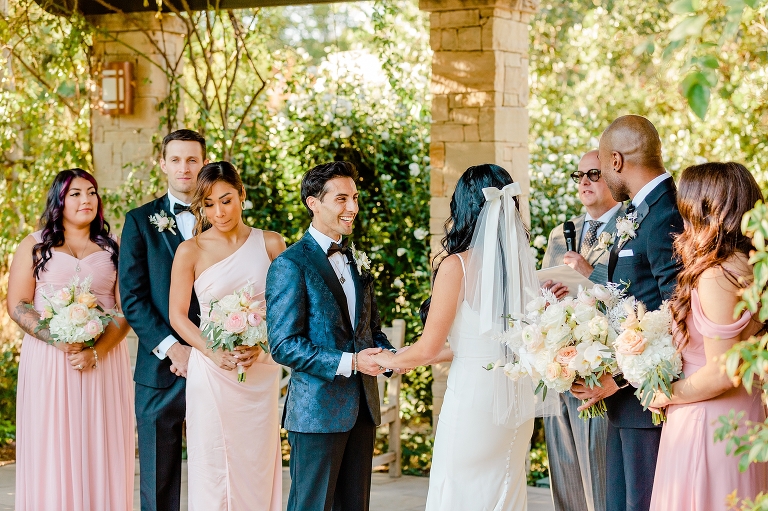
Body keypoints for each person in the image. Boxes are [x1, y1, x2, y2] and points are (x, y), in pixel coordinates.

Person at [372, 163, 542, 510]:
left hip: (474, 402)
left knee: (458, 493)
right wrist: (416, 355)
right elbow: (484, 343)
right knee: (505, 491)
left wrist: (390, 359)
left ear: (463, 207)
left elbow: (428, 347)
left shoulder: (457, 266)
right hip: (514, 400)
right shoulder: (520, 268)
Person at [266, 161, 397, 511]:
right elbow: (282, 345)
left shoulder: (357, 260)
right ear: (314, 203)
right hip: (317, 413)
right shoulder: (290, 264)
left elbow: (370, 331)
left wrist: (390, 358)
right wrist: (351, 362)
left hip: (363, 409)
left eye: (354, 197)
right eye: (341, 198)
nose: (352, 207)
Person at [571, 115, 684, 511]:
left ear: (615, 161)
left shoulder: (667, 212)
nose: (598, 175)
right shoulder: (638, 211)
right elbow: (629, 298)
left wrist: (617, 379)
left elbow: (677, 314)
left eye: (599, 167)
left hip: (646, 401)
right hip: (623, 399)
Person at [8, 169, 134, 510]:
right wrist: (56, 339)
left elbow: (124, 310)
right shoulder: (34, 245)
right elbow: (17, 304)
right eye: (76, 193)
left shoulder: (114, 248)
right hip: (50, 360)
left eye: (91, 192)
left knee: (99, 441)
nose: (86, 200)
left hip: (102, 359)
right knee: (53, 442)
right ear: (59, 200)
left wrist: (97, 352)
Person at [648, 162, 768, 510]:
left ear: (705, 210)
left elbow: (722, 371)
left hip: (708, 424)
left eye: (686, 209)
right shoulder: (752, 266)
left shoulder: (717, 274)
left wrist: (665, 394)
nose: (682, 221)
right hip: (741, 417)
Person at [169, 161, 286, 510]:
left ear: (242, 196)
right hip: (212, 372)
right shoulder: (190, 250)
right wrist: (211, 352)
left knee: (257, 463)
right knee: (213, 466)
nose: (218, 212)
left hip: (260, 370)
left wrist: (262, 345)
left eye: (226, 200)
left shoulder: (271, 243)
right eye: (208, 204)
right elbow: (178, 315)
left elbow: (287, 311)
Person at [119, 129, 208, 511]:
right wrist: (174, 348)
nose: (184, 168)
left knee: (218, 467)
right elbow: (132, 298)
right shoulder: (139, 222)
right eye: (176, 159)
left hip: (215, 361)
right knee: (157, 479)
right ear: (163, 164)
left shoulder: (223, 217)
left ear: (203, 163)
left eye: (192, 159)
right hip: (158, 370)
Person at [541, 149, 622, 511]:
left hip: (603, 375)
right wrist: (547, 297)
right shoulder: (562, 234)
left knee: (602, 484)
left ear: (613, 176)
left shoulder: (628, 230)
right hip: (560, 371)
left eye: (594, 173)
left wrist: (591, 274)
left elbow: (636, 295)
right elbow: (541, 298)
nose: (585, 182)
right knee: (566, 482)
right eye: (579, 176)